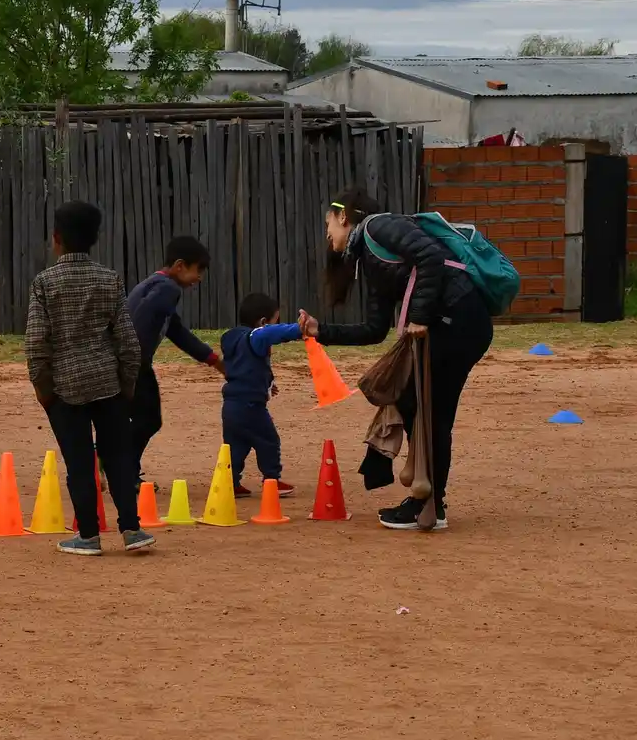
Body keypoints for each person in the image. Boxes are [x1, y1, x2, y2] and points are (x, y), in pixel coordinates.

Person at [298, 187, 494, 530]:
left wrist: (419, 316)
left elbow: (431, 258)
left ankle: (428, 503)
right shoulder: (372, 258)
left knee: (428, 411)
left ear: (343, 216)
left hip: (457, 321)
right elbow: (374, 329)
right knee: (420, 407)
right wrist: (320, 330)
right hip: (456, 324)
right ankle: (426, 498)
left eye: (328, 222)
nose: (327, 233)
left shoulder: (379, 226)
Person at [25, 200, 154, 557]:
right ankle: (132, 528)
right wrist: (126, 384)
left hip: (64, 389)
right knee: (118, 456)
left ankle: (88, 535)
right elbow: (127, 341)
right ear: (96, 238)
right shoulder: (109, 279)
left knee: (79, 462)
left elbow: (37, 342)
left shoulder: (44, 283)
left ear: (56, 238)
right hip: (108, 383)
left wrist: (43, 390)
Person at [125, 236, 225, 488]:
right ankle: (122, 469)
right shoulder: (168, 289)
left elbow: (177, 332)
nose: (199, 277)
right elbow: (142, 317)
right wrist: (133, 358)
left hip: (127, 362)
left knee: (135, 418)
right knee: (148, 420)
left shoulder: (154, 285)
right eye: (198, 270)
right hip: (133, 364)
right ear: (180, 265)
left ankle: (112, 459)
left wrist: (213, 360)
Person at [220, 292, 302, 498]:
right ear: (264, 322)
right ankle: (271, 479)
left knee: (235, 445)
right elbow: (267, 334)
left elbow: (248, 366)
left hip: (231, 405)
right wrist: (300, 329)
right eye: (275, 321)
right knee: (268, 440)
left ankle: (230, 482)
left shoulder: (232, 338)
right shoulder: (256, 336)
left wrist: (269, 381)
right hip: (251, 405)